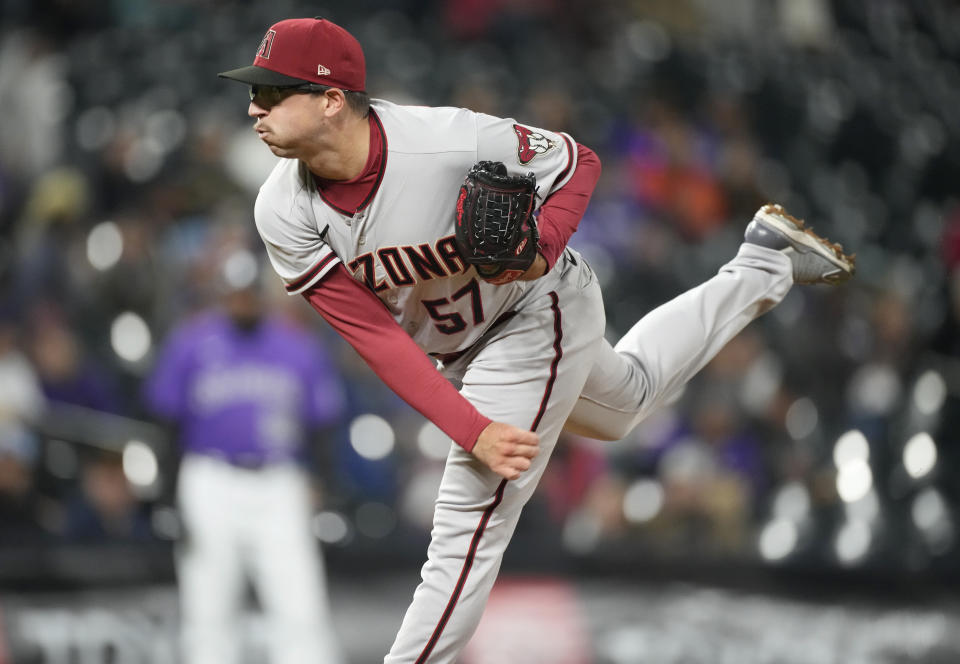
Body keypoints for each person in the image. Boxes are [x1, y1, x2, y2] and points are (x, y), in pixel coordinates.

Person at [217, 17, 855, 663]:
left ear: (331, 99)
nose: (253, 107)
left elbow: (578, 160)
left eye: (272, 93)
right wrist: (471, 426)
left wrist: (539, 249)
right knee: (626, 401)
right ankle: (764, 262)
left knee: (467, 528)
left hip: (533, 308)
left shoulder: (444, 141)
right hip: (464, 348)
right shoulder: (282, 210)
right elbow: (377, 336)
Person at [144, 248, 347, 664]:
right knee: (208, 611)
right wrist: (166, 495)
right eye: (234, 292)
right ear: (222, 293)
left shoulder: (296, 346)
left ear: (261, 293)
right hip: (210, 478)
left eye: (249, 292)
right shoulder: (192, 341)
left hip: (279, 481)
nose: (242, 300)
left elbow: (321, 425)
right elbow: (167, 423)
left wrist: (326, 486)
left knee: (300, 608)